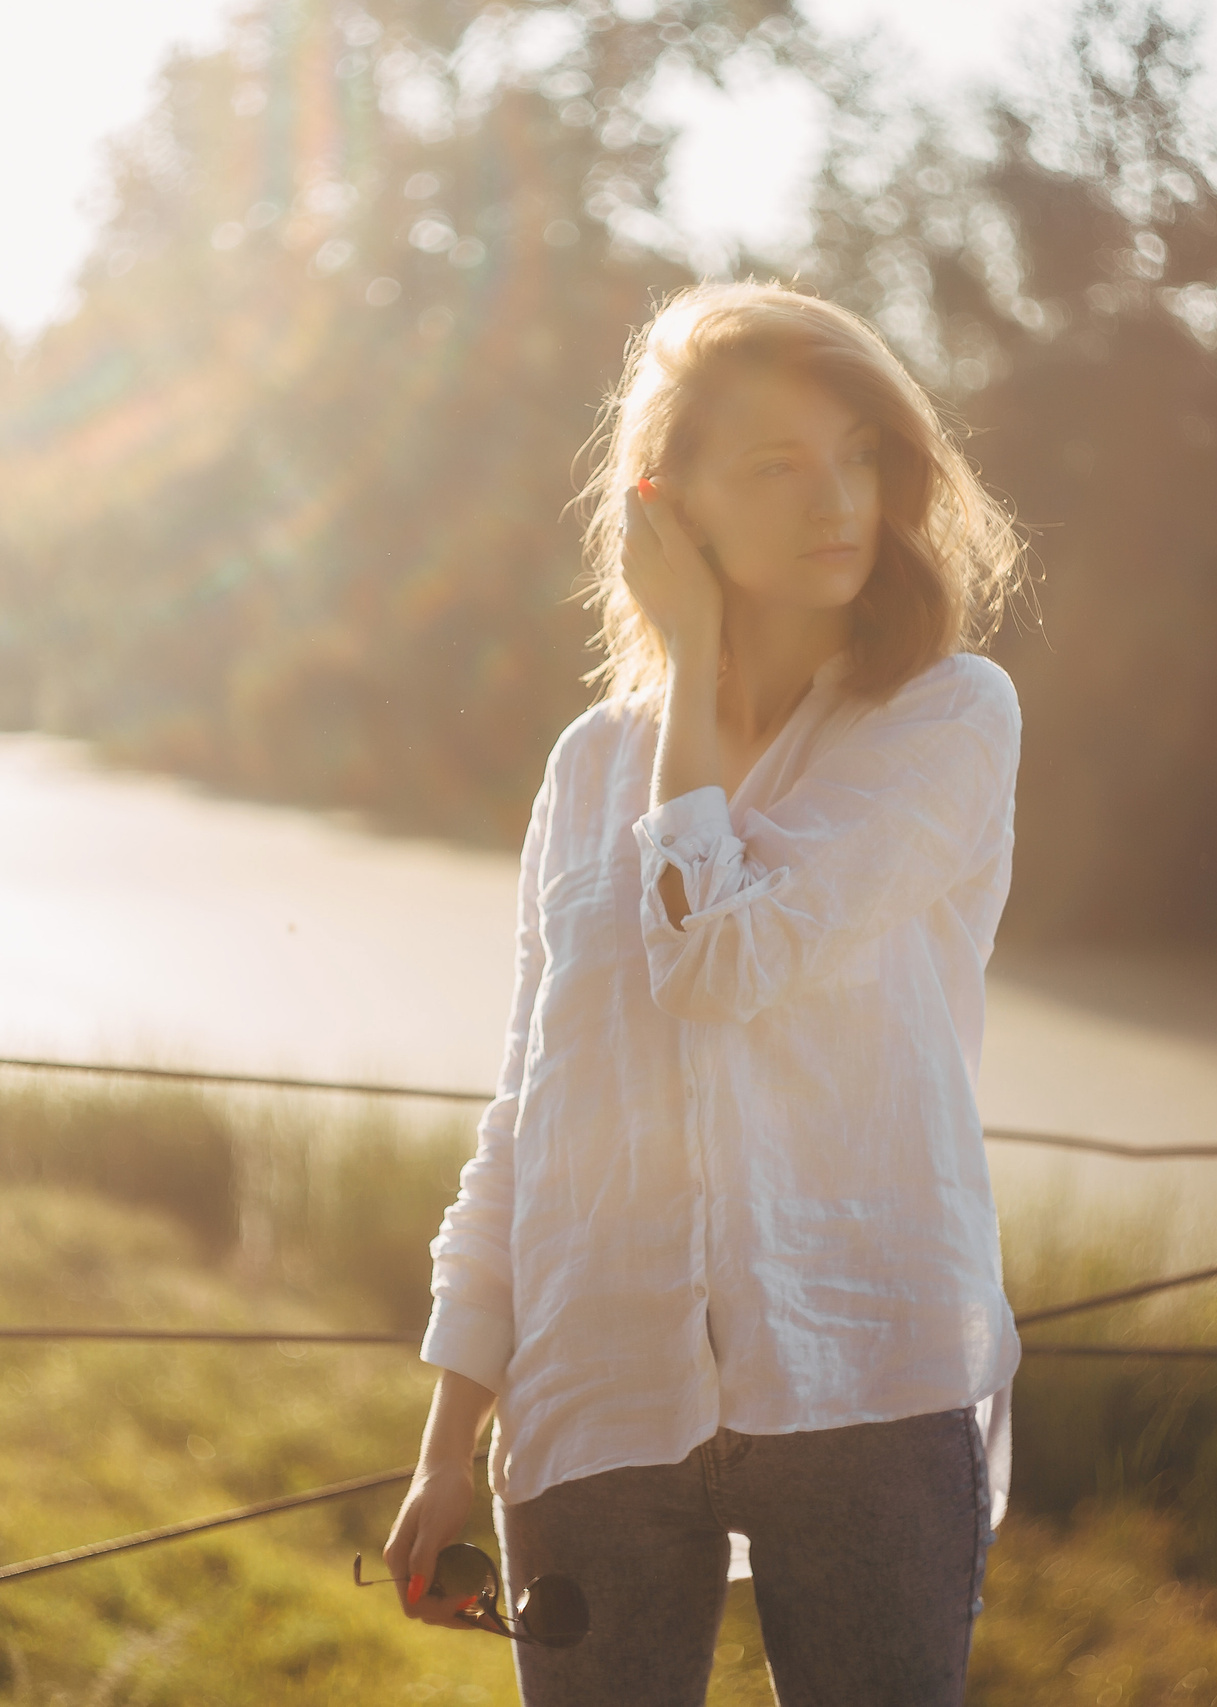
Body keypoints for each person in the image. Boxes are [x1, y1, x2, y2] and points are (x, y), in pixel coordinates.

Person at [381, 279, 1029, 1707]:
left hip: (869, 1366)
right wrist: (448, 1437)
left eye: (861, 453)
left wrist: (689, 695)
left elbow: (718, 955)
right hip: (594, 1385)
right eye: (779, 466)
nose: (839, 498)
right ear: (667, 505)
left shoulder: (947, 721)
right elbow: (529, 1114)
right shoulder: (585, 768)